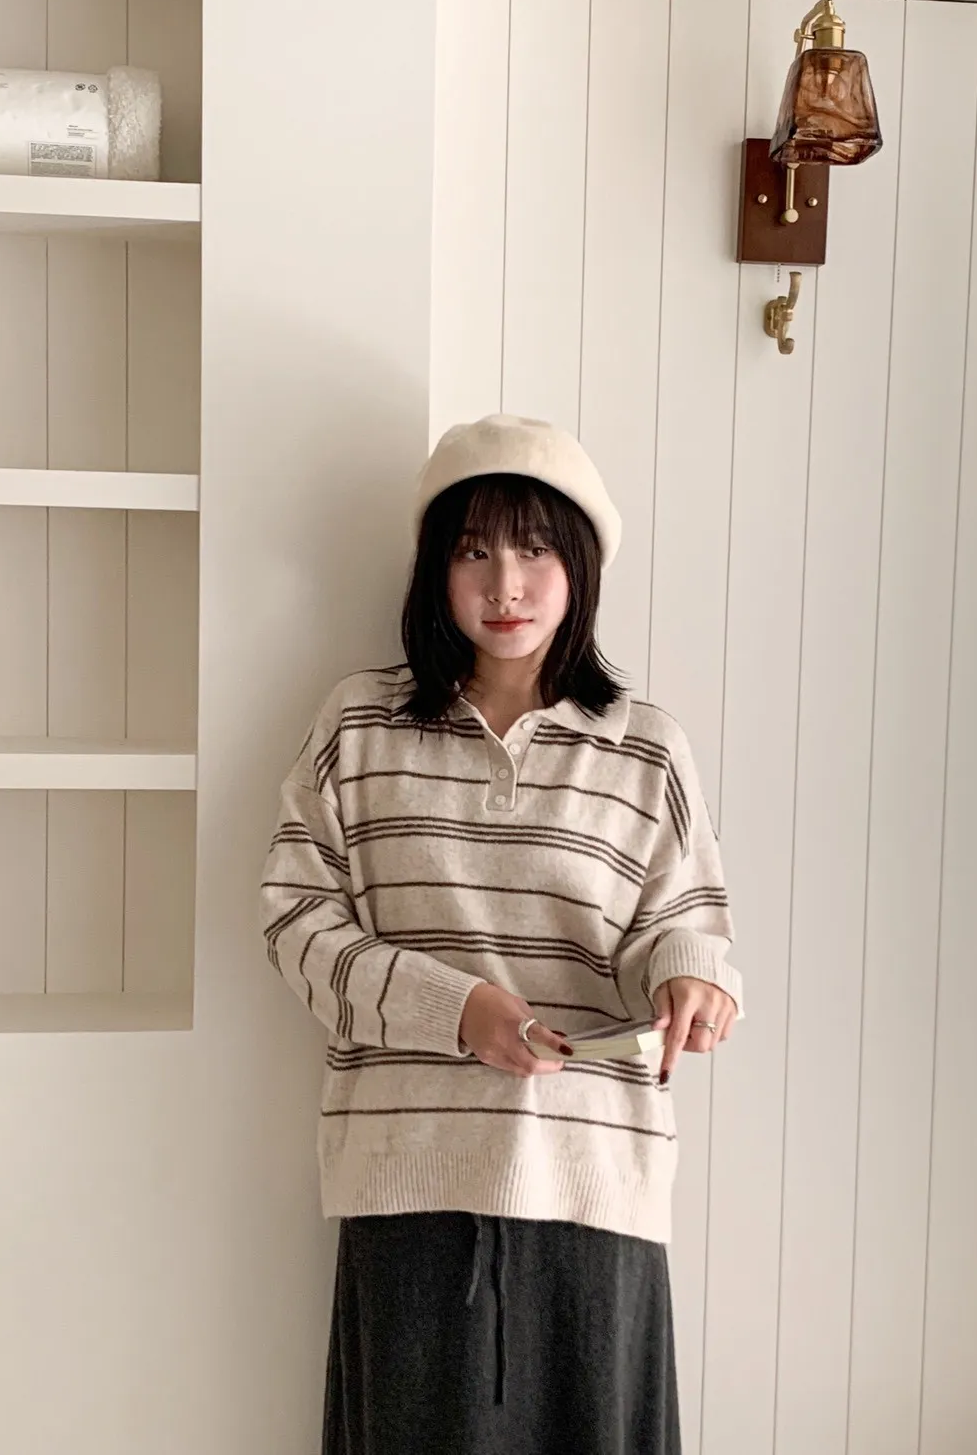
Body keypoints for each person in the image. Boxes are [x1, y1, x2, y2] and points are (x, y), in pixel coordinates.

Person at [260, 414, 742, 1455]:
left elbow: (685, 918)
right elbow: (296, 920)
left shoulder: (646, 749)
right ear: (435, 568)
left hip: (593, 1179)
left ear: (581, 566)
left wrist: (692, 978)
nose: (505, 584)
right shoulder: (358, 726)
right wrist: (456, 1009)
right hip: (412, 1177)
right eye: (473, 551)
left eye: (534, 550)